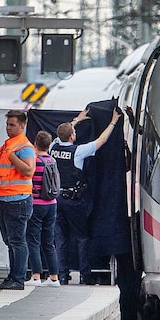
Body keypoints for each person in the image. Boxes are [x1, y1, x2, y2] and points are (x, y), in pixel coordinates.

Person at [50, 106, 121, 285]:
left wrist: (76, 121)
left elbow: (61, 134)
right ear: (73, 136)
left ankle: (62, 274)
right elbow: (102, 140)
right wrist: (113, 121)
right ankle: (85, 274)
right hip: (74, 200)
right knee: (81, 237)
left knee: (60, 239)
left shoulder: (53, 147)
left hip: (56, 199)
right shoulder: (78, 151)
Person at [0, 109, 35, 290]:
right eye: (7, 124)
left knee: (17, 241)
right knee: (10, 241)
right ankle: (13, 276)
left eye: (12, 125)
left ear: (22, 126)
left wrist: (13, 157)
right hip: (5, 198)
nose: (8, 128)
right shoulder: (10, 145)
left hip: (18, 200)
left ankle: (18, 279)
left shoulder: (23, 147)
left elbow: (28, 170)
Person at [25, 131, 61, 287]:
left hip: (37, 204)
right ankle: (54, 277)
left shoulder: (35, 161)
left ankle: (36, 276)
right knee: (49, 242)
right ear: (48, 145)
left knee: (33, 241)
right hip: (52, 204)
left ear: (35, 143)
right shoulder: (52, 160)